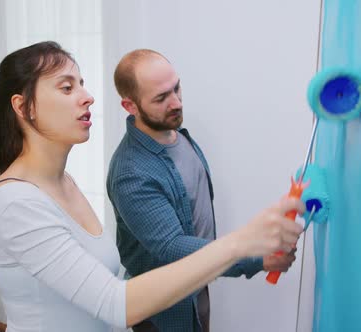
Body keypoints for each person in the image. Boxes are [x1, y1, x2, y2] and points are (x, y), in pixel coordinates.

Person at [0, 41, 304, 332]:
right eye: (66, 88)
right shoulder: (14, 204)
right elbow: (115, 304)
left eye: (82, 84)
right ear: (23, 107)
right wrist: (244, 245)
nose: (87, 97)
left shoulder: (66, 183)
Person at [107, 49, 299, 332]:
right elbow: (172, 246)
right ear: (130, 106)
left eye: (177, 88)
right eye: (161, 98)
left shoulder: (175, 134)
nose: (176, 103)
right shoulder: (131, 173)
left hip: (196, 288)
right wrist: (255, 258)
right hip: (163, 312)